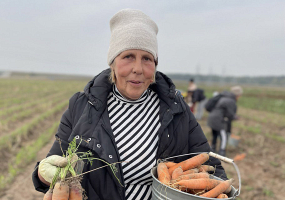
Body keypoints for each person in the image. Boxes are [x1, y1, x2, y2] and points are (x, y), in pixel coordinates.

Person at [32, 9, 227, 200]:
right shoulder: (82, 106)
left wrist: (219, 192)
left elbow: (212, 168)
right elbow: (50, 172)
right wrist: (43, 174)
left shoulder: (176, 109)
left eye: (147, 59)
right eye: (128, 57)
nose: (138, 69)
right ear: (113, 62)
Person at [207, 86, 243, 156]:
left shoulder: (224, 97)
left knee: (214, 135)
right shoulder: (231, 100)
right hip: (218, 120)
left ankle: (212, 149)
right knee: (224, 136)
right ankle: (222, 151)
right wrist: (235, 117)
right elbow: (230, 114)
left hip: (212, 118)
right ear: (238, 95)